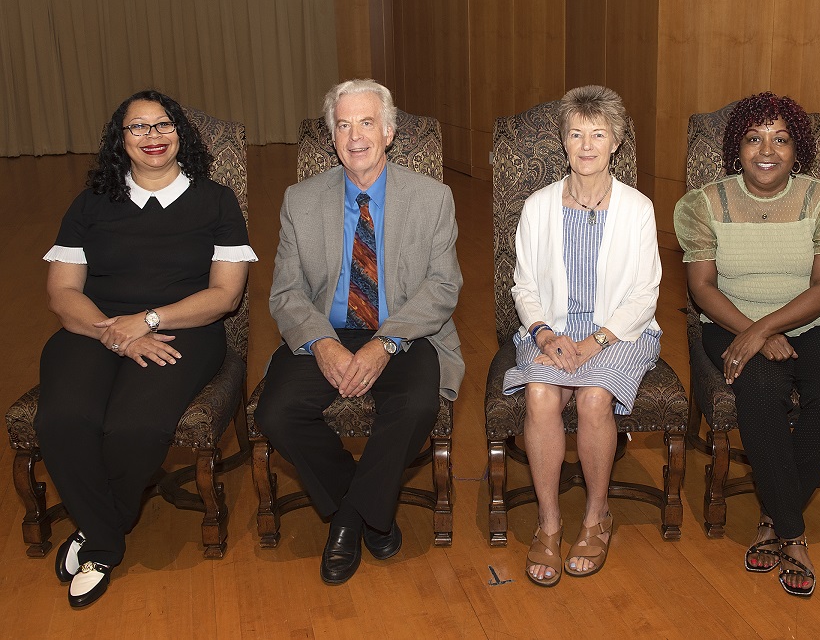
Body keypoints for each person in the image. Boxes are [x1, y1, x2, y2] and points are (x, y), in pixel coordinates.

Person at [33, 90, 256, 608]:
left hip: (184, 330)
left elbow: (225, 295)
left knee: (135, 426)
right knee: (61, 419)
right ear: (121, 140)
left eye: (163, 125)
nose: (152, 136)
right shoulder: (90, 204)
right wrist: (116, 330)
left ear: (181, 135)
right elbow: (62, 294)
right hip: (94, 328)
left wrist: (148, 320)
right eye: (138, 127)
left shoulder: (216, 201)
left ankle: (95, 536)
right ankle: (106, 535)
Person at [254, 79, 464, 586]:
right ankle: (369, 506)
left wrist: (385, 342)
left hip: (406, 331)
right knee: (275, 412)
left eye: (367, 122)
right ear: (332, 137)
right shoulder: (300, 201)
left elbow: (442, 287)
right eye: (343, 125)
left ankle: (347, 520)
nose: (355, 136)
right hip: (326, 329)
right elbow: (285, 292)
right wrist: (322, 343)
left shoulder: (432, 198)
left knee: (415, 405)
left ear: (388, 132)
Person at [674, 92, 820, 597]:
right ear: (737, 148)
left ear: (796, 149)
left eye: (781, 139)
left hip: (817, 319)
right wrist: (750, 329)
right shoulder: (702, 204)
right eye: (754, 138)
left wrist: (764, 330)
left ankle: (772, 516)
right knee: (758, 390)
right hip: (730, 317)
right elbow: (701, 288)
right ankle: (793, 532)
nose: (767, 150)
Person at [502, 85, 662, 586]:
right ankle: (549, 526)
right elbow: (524, 285)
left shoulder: (637, 208)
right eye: (576, 134)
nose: (587, 145)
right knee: (542, 392)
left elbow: (645, 293)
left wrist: (595, 342)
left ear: (616, 143)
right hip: (551, 328)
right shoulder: (539, 206)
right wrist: (547, 335)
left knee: (594, 398)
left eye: (598, 134)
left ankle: (596, 517)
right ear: (563, 142)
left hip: (621, 332)